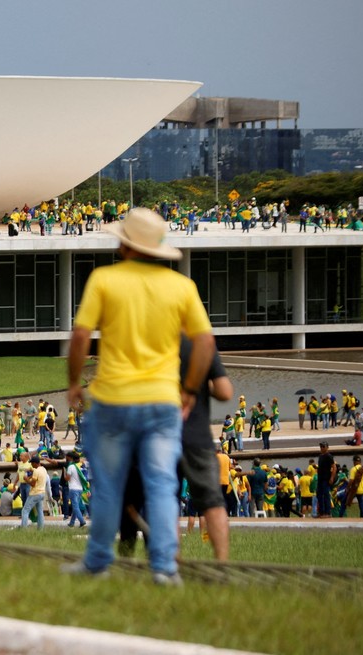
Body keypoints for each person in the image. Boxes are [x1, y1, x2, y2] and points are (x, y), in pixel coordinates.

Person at [63, 208, 214, 586]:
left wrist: (74, 383)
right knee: (161, 484)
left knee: (108, 484)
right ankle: (164, 568)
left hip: (113, 399)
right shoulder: (182, 287)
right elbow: (205, 342)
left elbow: (80, 336)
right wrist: (190, 389)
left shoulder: (104, 279)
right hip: (162, 400)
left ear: (125, 245)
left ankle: (97, 562)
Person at [177, 337, 233, 560]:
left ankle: (171, 566)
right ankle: (222, 562)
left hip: (164, 435)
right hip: (197, 436)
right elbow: (225, 392)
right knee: (213, 503)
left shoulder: (156, 341)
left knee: (167, 503)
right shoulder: (201, 344)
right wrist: (201, 386)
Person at [315, 442, 336, 518]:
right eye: (321, 447)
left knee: (326, 495)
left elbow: (334, 467)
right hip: (320, 478)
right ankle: (321, 512)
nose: (322, 448)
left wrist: (332, 477)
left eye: (323, 447)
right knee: (319, 495)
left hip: (326, 478)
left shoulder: (329, 456)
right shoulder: (320, 456)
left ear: (327, 447)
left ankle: (328, 512)